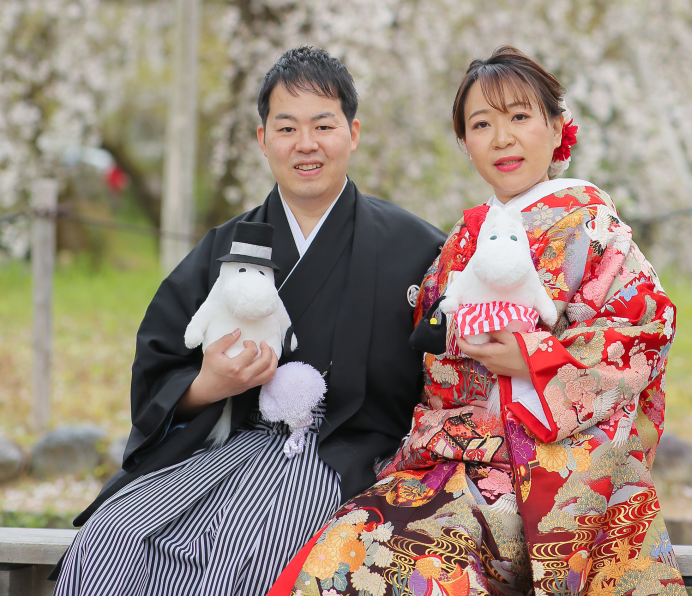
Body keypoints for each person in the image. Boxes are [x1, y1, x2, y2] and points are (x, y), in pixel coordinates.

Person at [278, 46, 685, 596]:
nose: (502, 138)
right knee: (345, 551)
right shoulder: (464, 240)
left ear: (557, 126)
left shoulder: (592, 227)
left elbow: (645, 331)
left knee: (417, 567)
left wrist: (537, 360)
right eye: (481, 124)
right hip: (453, 459)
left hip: (553, 466)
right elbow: (429, 353)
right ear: (465, 143)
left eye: (520, 117)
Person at [54, 46, 445, 596]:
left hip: (344, 461)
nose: (305, 144)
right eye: (286, 128)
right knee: (111, 537)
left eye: (322, 125)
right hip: (227, 449)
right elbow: (162, 360)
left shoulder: (415, 247)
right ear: (264, 141)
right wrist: (206, 385)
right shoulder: (225, 247)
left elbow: (448, 375)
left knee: (248, 551)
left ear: (353, 133)